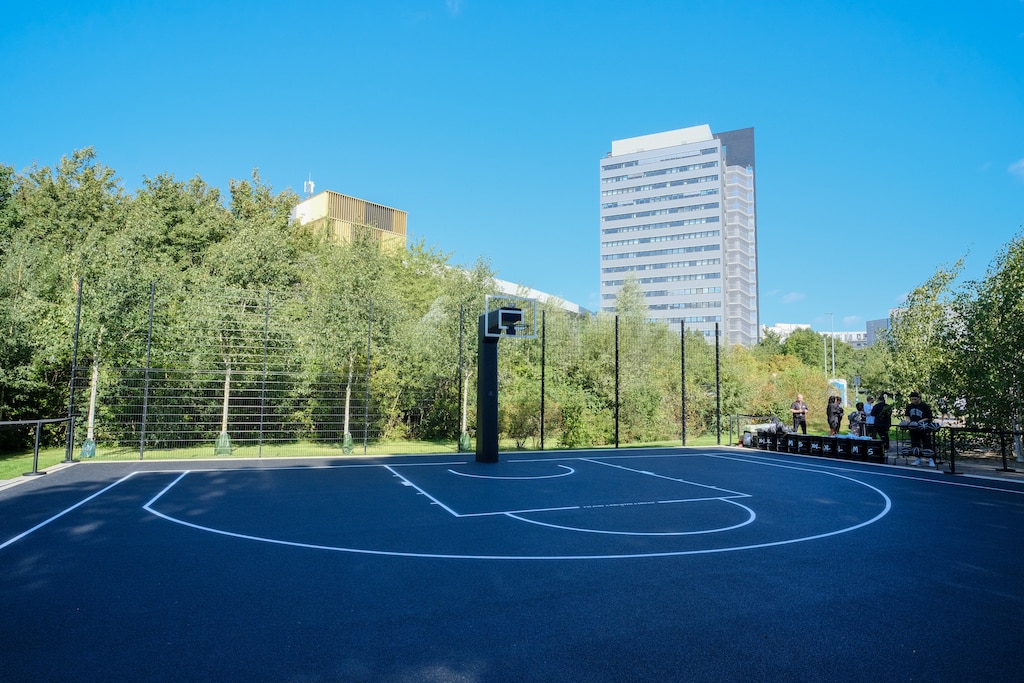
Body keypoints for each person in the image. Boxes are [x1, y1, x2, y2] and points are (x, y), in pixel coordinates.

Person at [905, 391, 935, 466]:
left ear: (918, 398)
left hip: (923, 428)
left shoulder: (925, 406)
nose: (913, 401)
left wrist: (921, 421)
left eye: (915, 399)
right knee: (915, 444)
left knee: (926, 443)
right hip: (913, 428)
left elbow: (929, 417)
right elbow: (907, 415)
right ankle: (918, 459)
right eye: (912, 399)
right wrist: (908, 420)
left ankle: (930, 459)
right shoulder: (909, 406)